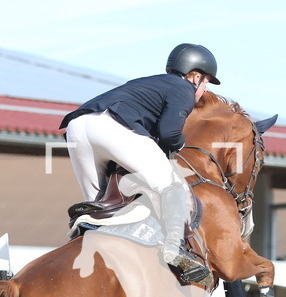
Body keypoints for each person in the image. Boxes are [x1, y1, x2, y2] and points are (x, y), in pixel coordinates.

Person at [59, 43, 220, 284]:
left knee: (97, 203)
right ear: (195, 76)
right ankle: (176, 249)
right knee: (172, 184)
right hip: (112, 128)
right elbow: (168, 134)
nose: (203, 89)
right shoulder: (183, 89)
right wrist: (180, 143)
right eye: (205, 82)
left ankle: (83, 250)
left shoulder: (150, 82)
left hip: (77, 126)